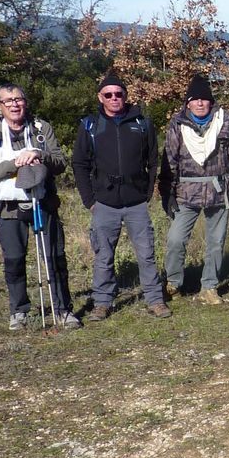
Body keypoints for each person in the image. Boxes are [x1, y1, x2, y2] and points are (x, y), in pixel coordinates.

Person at [0, 83, 78, 329]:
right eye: (8, 101)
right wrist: (13, 164)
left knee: (54, 257)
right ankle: (19, 311)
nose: (14, 104)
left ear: (25, 102)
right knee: (15, 259)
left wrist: (40, 154)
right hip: (8, 207)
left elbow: (60, 163)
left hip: (44, 202)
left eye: (18, 99)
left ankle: (63, 309)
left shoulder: (41, 129)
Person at [73, 72, 171, 320]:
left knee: (146, 253)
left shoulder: (142, 124)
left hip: (136, 201)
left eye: (119, 94)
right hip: (104, 202)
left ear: (126, 96)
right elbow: (80, 164)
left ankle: (155, 300)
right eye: (109, 94)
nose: (114, 98)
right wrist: (89, 200)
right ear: (100, 97)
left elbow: (152, 160)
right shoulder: (90, 126)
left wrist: (148, 192)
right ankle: (103, 302)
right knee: (103, 255)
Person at [161, 75, 229, 305]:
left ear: (211, 102)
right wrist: (166, 193)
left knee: (216, 242)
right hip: (185, 193)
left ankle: (208, 287)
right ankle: (173, 282)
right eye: (195, 99)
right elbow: (169, 159)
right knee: (176, 240)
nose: (200, 103)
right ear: (188, 103)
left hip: (218, 191)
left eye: (204, 99)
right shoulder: (177, 124)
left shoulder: (226, 121)